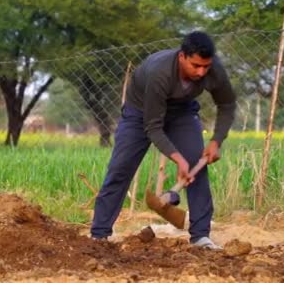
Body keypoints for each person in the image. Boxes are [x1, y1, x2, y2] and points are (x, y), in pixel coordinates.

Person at [90, 31, 237, 249]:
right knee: (120, 168)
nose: (201, 72)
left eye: (205, 66)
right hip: (140, 113)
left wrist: (216, 141)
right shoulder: (160, 73)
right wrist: (178, 159)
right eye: (196, 65)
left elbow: (227, 105)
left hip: (182, 112)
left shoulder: (212, 69)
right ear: (182, 57)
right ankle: (99, 235)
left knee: (197, 163)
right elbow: (153, 127)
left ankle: (201, 236)